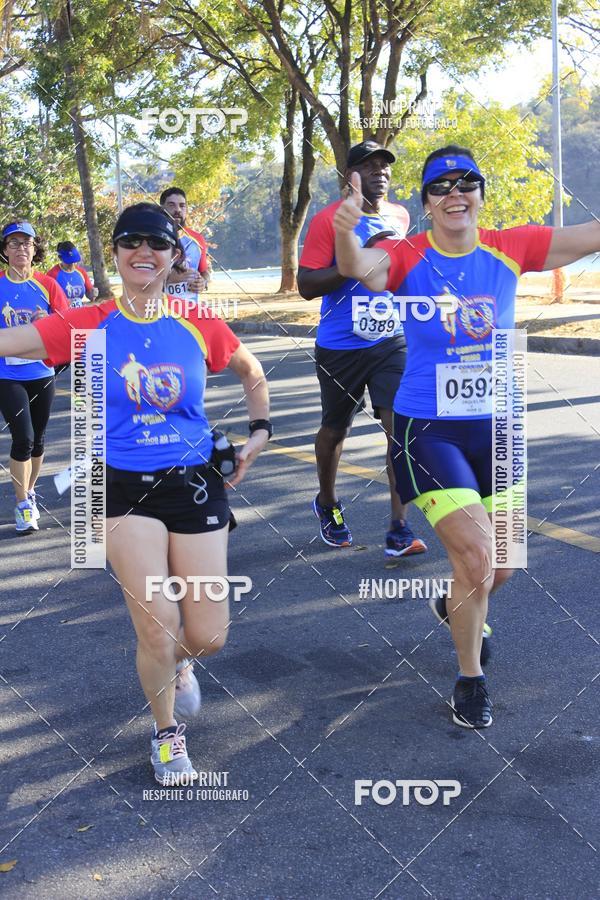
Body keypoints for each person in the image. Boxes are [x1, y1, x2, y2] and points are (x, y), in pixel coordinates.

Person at [0, 202, 271, 783]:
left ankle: (178, 667)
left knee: (207, 636)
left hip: (197, 485)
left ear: (175, 256)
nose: (143, 252)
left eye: (157, 242)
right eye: (131, 242)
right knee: (157, 627)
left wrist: (260, 434)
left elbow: (252, 373)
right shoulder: (88, 323)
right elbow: (10, 341)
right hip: (121, 488)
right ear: (116, 253)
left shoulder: (199, 321)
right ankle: (166, 734)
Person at [332, 144, 600, 729]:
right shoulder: (407, 256)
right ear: (427, 202)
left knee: (497, 568)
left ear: (480, 195)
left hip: (498, 431)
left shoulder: (511, 247)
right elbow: (359, 269)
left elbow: (590, 235)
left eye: (466, 183)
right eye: (440, 186)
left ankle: (455, 605)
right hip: (428, 431)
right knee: (477, 555)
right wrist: (347, 231)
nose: (455, 193)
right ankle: (469, 676)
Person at [298, 141, 426, 556]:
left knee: (399, 430)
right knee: (336, 428)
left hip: (391, 340)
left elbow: (399, 270)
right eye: (368, 166)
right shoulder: (326, 221)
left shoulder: (400, 216)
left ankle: (399, 528)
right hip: (340, 346)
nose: (379, 172)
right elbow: (305, 286)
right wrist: (351, 265)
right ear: (348, 175)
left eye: (384, 166)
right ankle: (328, 502)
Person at [0, 221, 68, 533]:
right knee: (23, 438)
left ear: (34, 249)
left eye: (26, 243)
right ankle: (22, 505)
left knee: (38, 441)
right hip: (6, 374)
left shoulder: (48, 286)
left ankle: (29, 492)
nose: (21, 249)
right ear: (5, 251)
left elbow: (68, 323)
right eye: (13, 243)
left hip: (41, 372)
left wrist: (50, 321)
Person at [159, 187, 211, 301]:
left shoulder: (197, 238)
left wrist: (203, 282)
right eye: (171, 205)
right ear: (162, 208)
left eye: (182, 206)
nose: (177, 210)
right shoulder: (152, 237)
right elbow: (140, 278)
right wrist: (169, 278)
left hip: (191, 311)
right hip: (159, 310)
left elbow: (204, 272)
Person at [46, 241, 96, 307]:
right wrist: (65, 302)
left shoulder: (81, 272)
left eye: (74, 261)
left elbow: (90, 295)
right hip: (61, 314)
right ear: (60, 258)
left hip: (79, 313)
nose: (72, 264)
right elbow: (47, 300)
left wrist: (93, 294)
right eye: (68, 261)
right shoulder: (52, 275)